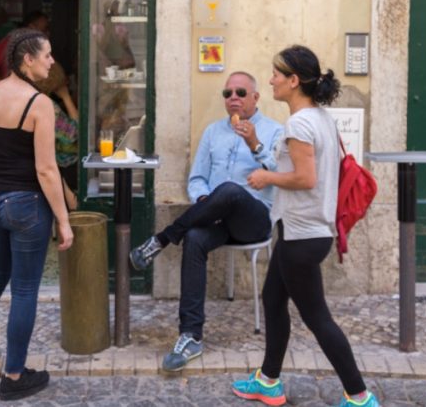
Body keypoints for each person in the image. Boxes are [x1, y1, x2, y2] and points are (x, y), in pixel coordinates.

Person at [233, 45, 379, 407]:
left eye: (277, 74)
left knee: (317, 317)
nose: (271, 80)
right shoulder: (319, 118)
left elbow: (305, 178)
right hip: (304, 231)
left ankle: (359, 396)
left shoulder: (299, 123)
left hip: (303, 233)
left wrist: (266, 176)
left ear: (294, 81)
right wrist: (255, 145)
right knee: (272, 298)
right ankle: (268, 381)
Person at [129, 71, 284, 372]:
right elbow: (197, 178)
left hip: (254, 221)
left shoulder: (275, 131)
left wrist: (255, 144)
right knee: (196, 238)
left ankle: (160, 240)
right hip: (217, 222)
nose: (234, 99)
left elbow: (281, 173)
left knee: (229, 190)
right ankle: (190, 335)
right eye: (228, 94)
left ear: (255, 97)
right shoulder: (214, 132)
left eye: (240, 92)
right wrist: (203, 201)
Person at [0, 28, 74, 402]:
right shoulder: (38, 103)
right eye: (47, 55)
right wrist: (64, 220)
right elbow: (46, 170)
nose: (52, 62)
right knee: (24, 288)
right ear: (27, 59)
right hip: (25, 205)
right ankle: (14, 374)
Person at [34, 62, 80, 195]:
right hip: (61, 165)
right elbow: (73, 133)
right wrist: (66, 97)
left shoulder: (33, 99)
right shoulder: (48, 106)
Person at [0, 11, 50, 85]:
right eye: (45, 29)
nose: (48, 33)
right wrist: (5, 88)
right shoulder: (12, 42)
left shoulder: (41, 48)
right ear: (31, 27)